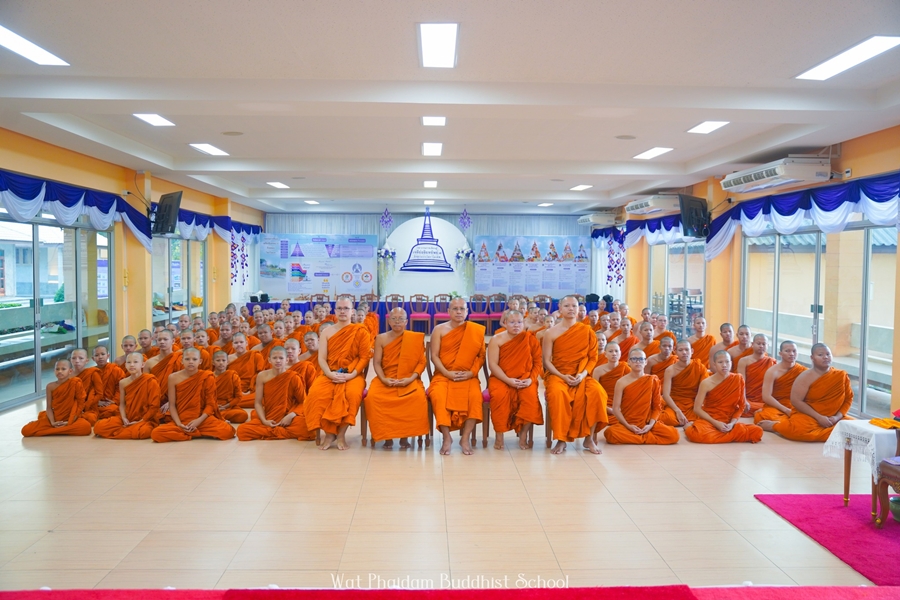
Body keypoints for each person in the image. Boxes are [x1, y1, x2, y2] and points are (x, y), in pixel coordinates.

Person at [304, 298, 371, 450]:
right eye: (339, 308)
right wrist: (329, 374)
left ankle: (341, 434)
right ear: (334, 311)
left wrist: (351, 375)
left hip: (353, 375)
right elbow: (321, 358)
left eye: (346, 308)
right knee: (315, 394)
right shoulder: (326, 332)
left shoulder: (360, 331)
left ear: (352, 311)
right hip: (329, 373)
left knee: (352, 395)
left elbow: (364, 358)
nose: (342, 311)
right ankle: (329, 434)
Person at [543, 295, 606, 455]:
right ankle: (561, 439)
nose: (571, 309)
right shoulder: (551, 333)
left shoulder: (587, 331)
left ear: (579, 309)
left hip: (581, 375)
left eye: (574, 306)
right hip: (558, 375)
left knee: (597, 392)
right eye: (567, 306)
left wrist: (583, 375)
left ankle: (589, 438)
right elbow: (546, 361)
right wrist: (562, 376)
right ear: (560, 309)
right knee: (558, 394)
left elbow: (593, 358)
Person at [760, 343, 853, 441]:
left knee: (855, 428)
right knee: (799, 430)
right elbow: (796, 401)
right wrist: (819, 417)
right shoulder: (804, 377)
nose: (825, 357)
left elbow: (848, 399)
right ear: (812, 358)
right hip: (811, 416)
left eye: (828, 354)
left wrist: (836, 417)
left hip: (833, 417)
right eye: (820, 355)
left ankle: (832, 431)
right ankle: (776, 426)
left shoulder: (841, 375)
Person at [428, 297, 486, 455]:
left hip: (468, 376)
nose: (459, 312)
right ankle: (447, 437)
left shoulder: (475, 331)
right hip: (443, 375)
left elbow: (481, 356)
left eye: (462, 309)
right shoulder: (439, 329)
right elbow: (434, 356)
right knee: (438, 395)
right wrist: (447, 373)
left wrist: (471, 373)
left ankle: (465, 438)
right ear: (448, 311)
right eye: (455, 309)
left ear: (467, 311)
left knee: (475, 397)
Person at [364, 308, 428, 450]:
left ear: (406, 321)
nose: (397, 321)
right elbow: (377, 363)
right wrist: (384, 379)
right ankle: (387, 437)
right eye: (394, 318)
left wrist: (410, 379)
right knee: (373, 398)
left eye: (401, 319)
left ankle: (405, 437)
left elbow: (421, 362)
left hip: (408, 379)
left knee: (417, 397)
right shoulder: (381, 338)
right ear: (389, 321)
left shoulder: (414, 338)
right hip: (386, 378)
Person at [150, 348, 236, 442]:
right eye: (187, 359)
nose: (191, 362)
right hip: (182, 419)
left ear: (200, 361)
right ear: (182, 360)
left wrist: (198, 421)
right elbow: (172, 405)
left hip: (202, 419)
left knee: (227, 431)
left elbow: (210, 405)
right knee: (156, 434)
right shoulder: (173, 378)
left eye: (194, 359)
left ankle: (189, 432)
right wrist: (179, 424)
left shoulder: (207, 377)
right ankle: (194, 434)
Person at [487, 309, 543, 450]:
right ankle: (499, 436)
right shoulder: (496, 339)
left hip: (525, 378)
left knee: (530, 398)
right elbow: (493, 365)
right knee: (499, 396)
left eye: (519, 322)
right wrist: (508, 380)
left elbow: (538, 363)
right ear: (505, 323)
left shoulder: (530, 339)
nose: (516, 325)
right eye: (512, 322)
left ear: (524, 323)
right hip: (501, 378)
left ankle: (523, 435)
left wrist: (531, 379)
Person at [236, 346, 314, 441]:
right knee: (241, 430)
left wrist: (291, 415)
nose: (278, 361)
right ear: (269, 360)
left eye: (281, 358)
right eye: (275, 358)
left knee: (309, 429)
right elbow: (258, 403)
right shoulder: (262, 376)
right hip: (269, 415)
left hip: (288, 417)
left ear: (286, 360)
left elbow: (303, 402)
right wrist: (264, 421)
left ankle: (273, 430)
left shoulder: (293, 377)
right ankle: (279, 430)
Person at [684, 351, 763, 443]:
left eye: (727, 361)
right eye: (720, 362)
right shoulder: (706, 383)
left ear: (731, 363)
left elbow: (741, 406)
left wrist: (732, 423)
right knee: (701, 435)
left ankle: (724, 433)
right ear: (714, 364)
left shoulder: (738, 379)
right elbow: (697, 409)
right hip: (710, 420)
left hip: (728, 422)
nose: (724, 365)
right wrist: (716, 423)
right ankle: (689, 427)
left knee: (757, 431)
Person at [604, 349, 679, 445]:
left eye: (641, 359)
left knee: (674, 435)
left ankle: (641, 436)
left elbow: (656, 408)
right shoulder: (621, 382)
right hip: (628, 422)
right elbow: (616, 409)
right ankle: (645, 437)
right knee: (610, 433)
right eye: (634, 359)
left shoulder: (652, 380)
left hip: (647, 423)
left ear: (645, 362)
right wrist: (628, 426)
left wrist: (650, 425)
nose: (638, 362)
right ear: (629, 362)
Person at [93, 352, 160, 439]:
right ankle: (129, 429)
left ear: (142, 364)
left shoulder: (150, 381)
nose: (132, 365)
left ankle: (119, 432)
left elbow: (154, 406)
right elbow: (122, 404)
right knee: (98, 427)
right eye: (129, 362)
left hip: (145, 419)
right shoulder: (123, 382)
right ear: (125, 365)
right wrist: (124, 418)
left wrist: (141, 421)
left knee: (143, 431)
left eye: (135, 362)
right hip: (128, 416)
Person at [22, 360, 92, 437]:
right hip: (55, 417)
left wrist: (69, 422)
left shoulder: (75, 383)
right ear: (54, 371)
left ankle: (52, 431)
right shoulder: (50, 386)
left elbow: (80, 405)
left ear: (70, 371)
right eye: (57, 369)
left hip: (71, 418)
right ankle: (60, 429)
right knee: (26, 430)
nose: (60, 371)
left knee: (86, 427)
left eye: (63, 369)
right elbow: (49, 407)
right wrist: (52, 422)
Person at [754, 340, 807, 424]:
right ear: (780, 353)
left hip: (795, 405)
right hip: (777, 406)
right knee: (762, 417)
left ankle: (778, 425)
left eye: (794, 351)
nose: (791, 354)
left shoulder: (803, 371)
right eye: (787, 351)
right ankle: (783, 425)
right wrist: (786, 410)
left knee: (809, 418)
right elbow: (766, 396)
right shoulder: (772, 371)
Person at [659, 340, 708, 427]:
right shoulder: (670, 370)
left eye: (687, 349)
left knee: (712, 415)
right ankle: (688, 421)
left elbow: (705, 391)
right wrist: (677, 411)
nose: (684, 352)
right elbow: (666, 395)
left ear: (692, 351)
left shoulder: (699, 367)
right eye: (680, 350)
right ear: (675, 351)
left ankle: (688, 421)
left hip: (694, 404)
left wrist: (698, 406)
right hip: (675, 403)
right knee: (666, 418)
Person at [737, 334, 776, 416]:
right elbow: (741, 383)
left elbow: (776, 385)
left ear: (768, 346)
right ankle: (762, 411)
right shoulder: (744, 361)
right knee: (738, 406)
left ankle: (762, 410)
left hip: (765, 399)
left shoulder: (771, 362)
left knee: (775, 407)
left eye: (764, 344)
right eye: (758, 343)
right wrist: (744, 400)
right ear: (752, 344)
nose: (761, 346)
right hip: (747, 398)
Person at [592, 343, 630, 427]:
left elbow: (634, 387)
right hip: (604, 403)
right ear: (605, 354)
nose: (614, 353)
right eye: (611, 351)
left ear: (620, 353)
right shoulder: (598, 371)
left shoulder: (625, 367)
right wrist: (606, 408)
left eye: (616, 351)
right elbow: (595, 392)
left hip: (621, 403)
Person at [143, 330, 179, 413]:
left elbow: (184, 384)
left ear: (173, 341)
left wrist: (172, 402)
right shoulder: (149, 362)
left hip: (176, 399)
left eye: (165, 339)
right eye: (159, 340)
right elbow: (145, 386)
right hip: (154, 400)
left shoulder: (179, 359)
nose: (162, 342)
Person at [227, 332, 267, 408]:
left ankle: (231, 403)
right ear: (232, 345)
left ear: (246, 343)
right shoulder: (227, 359)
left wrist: (250, 391)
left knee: (264, 398)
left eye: (241, 342)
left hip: (250, 390)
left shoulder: (256, 356)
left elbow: (260, 376)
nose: (239, 344)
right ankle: (232, 402)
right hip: (232, 390)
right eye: (236, 343)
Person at [212, 350, 248, 424]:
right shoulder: (209, 377)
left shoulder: (232, 376)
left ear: (227, 362)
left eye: (223, 360)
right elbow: (204, 397)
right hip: (212, 406)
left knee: (243, 415)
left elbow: (238, 397)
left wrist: (225, 406)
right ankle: (217, 417)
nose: (221, 363)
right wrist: (214, 406)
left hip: (228, 406)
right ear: (213, 362)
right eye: (218, 360)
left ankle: (217, 418)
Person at [70, 348, 104, 426]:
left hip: (88, 406)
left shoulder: (92, 373)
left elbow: (99, 394)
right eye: (74, 358)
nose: (77, 361)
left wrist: (85, 406)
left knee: (91, 419)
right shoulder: (67, 375)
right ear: (70, 360)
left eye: (81, 358)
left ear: (87, 360)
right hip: (72, 406)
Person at [93, 345, 126, 420]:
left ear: (108, 356)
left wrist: (114, 401)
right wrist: (96, 402)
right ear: (93, 358)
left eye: (103, 354)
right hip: (96, 405)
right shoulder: (91, 372)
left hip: (111, 404)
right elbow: (88, 391)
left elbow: (121, 388)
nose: (100, 357)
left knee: (114, 410)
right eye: (97, 355)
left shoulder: (116, 370)